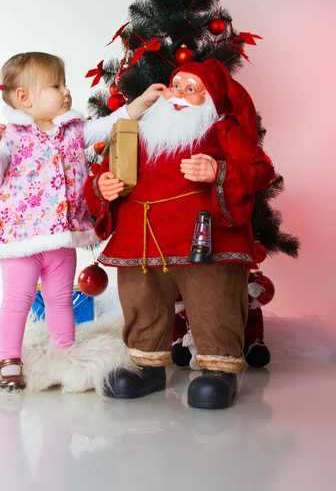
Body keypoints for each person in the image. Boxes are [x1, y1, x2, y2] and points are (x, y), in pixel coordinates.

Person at [84, 58, 275, 409]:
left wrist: (219, 169)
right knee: (142, 298)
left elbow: (260, 170)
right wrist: (102, 185)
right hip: (140, 236)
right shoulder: (139, 130)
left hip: (202, 236)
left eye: (192, 90)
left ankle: (219, 369)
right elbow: (104, 170)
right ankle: (146, 365)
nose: (179, 95)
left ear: (212, 100)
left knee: (213, 295)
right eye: (176, 86)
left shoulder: (220, 131)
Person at [0, 51, 164, 390]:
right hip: (21, 239)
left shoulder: (73, 129)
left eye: (65, 83)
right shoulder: (12, 135)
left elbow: (113, 124)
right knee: (17, 301)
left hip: (63, 236)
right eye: (56, 85)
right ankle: (8, 358)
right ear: (25, 97)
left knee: (60, 298)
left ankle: (64, 352)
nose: (66, 91)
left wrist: (143, 102)